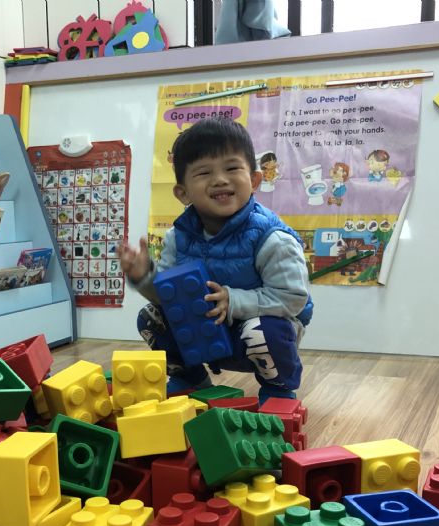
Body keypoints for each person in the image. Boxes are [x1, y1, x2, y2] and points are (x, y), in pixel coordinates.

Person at [119, 118, 312, 404]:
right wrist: (144, 276)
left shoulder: (273, 238)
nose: (220, 179)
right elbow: (169, 297)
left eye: (232, 168)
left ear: (254, 180)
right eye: (204, 172)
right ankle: (190, 378)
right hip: (203, 329)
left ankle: (278, 388)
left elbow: (292, 298)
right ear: (183, 193)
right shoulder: (178, 237)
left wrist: (233, 301)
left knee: (266, 330)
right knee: (151, 318)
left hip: (257, 330)